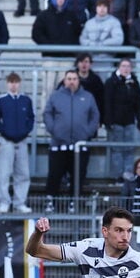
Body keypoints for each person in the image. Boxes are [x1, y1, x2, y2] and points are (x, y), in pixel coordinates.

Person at [43, 69, 100, 213]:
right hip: (59, 144)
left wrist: (87, 132)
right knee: (55, 174)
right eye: (69, 78)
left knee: (78, 175)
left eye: (74, 78)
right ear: (64, 80)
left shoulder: (88, 97)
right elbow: (47, 113)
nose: (72, 81)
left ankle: (73, 202)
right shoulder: (56, 96)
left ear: (78, 80)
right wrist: (54, 129)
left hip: (80, 145)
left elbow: (95, 116)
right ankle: (50, 201)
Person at [0, 72, 34, 214]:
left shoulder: (26, 100)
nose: (13, 85)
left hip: (22, 141)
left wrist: (25, 132)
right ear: (7, 83)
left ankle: (19, 202)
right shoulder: (2, 100)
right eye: (11, 82)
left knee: (23, 173)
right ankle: (3, 202)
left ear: (19, 83)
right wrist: (5, 132)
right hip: (7, 141)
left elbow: (31, 118)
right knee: (4, 173)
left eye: (16, 82)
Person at [103, 58, 140, 181]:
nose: (126, 69)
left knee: (129, 149)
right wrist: (108, 120)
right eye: (123, 66)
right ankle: (117, 175)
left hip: (129, 121)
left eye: (128, 66)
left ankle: (128, 174)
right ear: (118, 67)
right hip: (116, 121)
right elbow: (107, 102)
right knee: (116, 150)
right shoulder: (111, 82)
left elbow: (139, 102)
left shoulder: (134, 82)